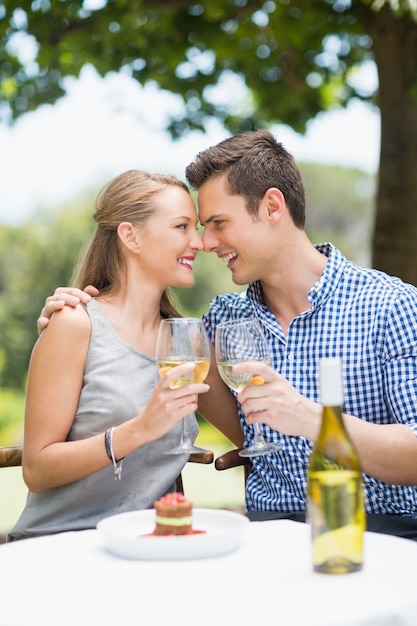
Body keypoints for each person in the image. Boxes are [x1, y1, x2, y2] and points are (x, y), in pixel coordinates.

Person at [38, 131, 417, 529]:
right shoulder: (220, 323)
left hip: (378, 528)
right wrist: (74, 316)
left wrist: (314, 420)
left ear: (272, 206)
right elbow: (130, 344)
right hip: (267, 533)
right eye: (197, 227)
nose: (206, 242)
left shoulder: (391, 306)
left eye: (218, 223)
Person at [9, 169, 241, 542]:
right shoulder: (74, 323)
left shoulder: (188, 344)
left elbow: (249, 435)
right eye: (182, 227)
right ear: (130, 236)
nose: (198, 242)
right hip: (59, 546)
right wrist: (139, 430)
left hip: (145, 551)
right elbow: (37, 469)